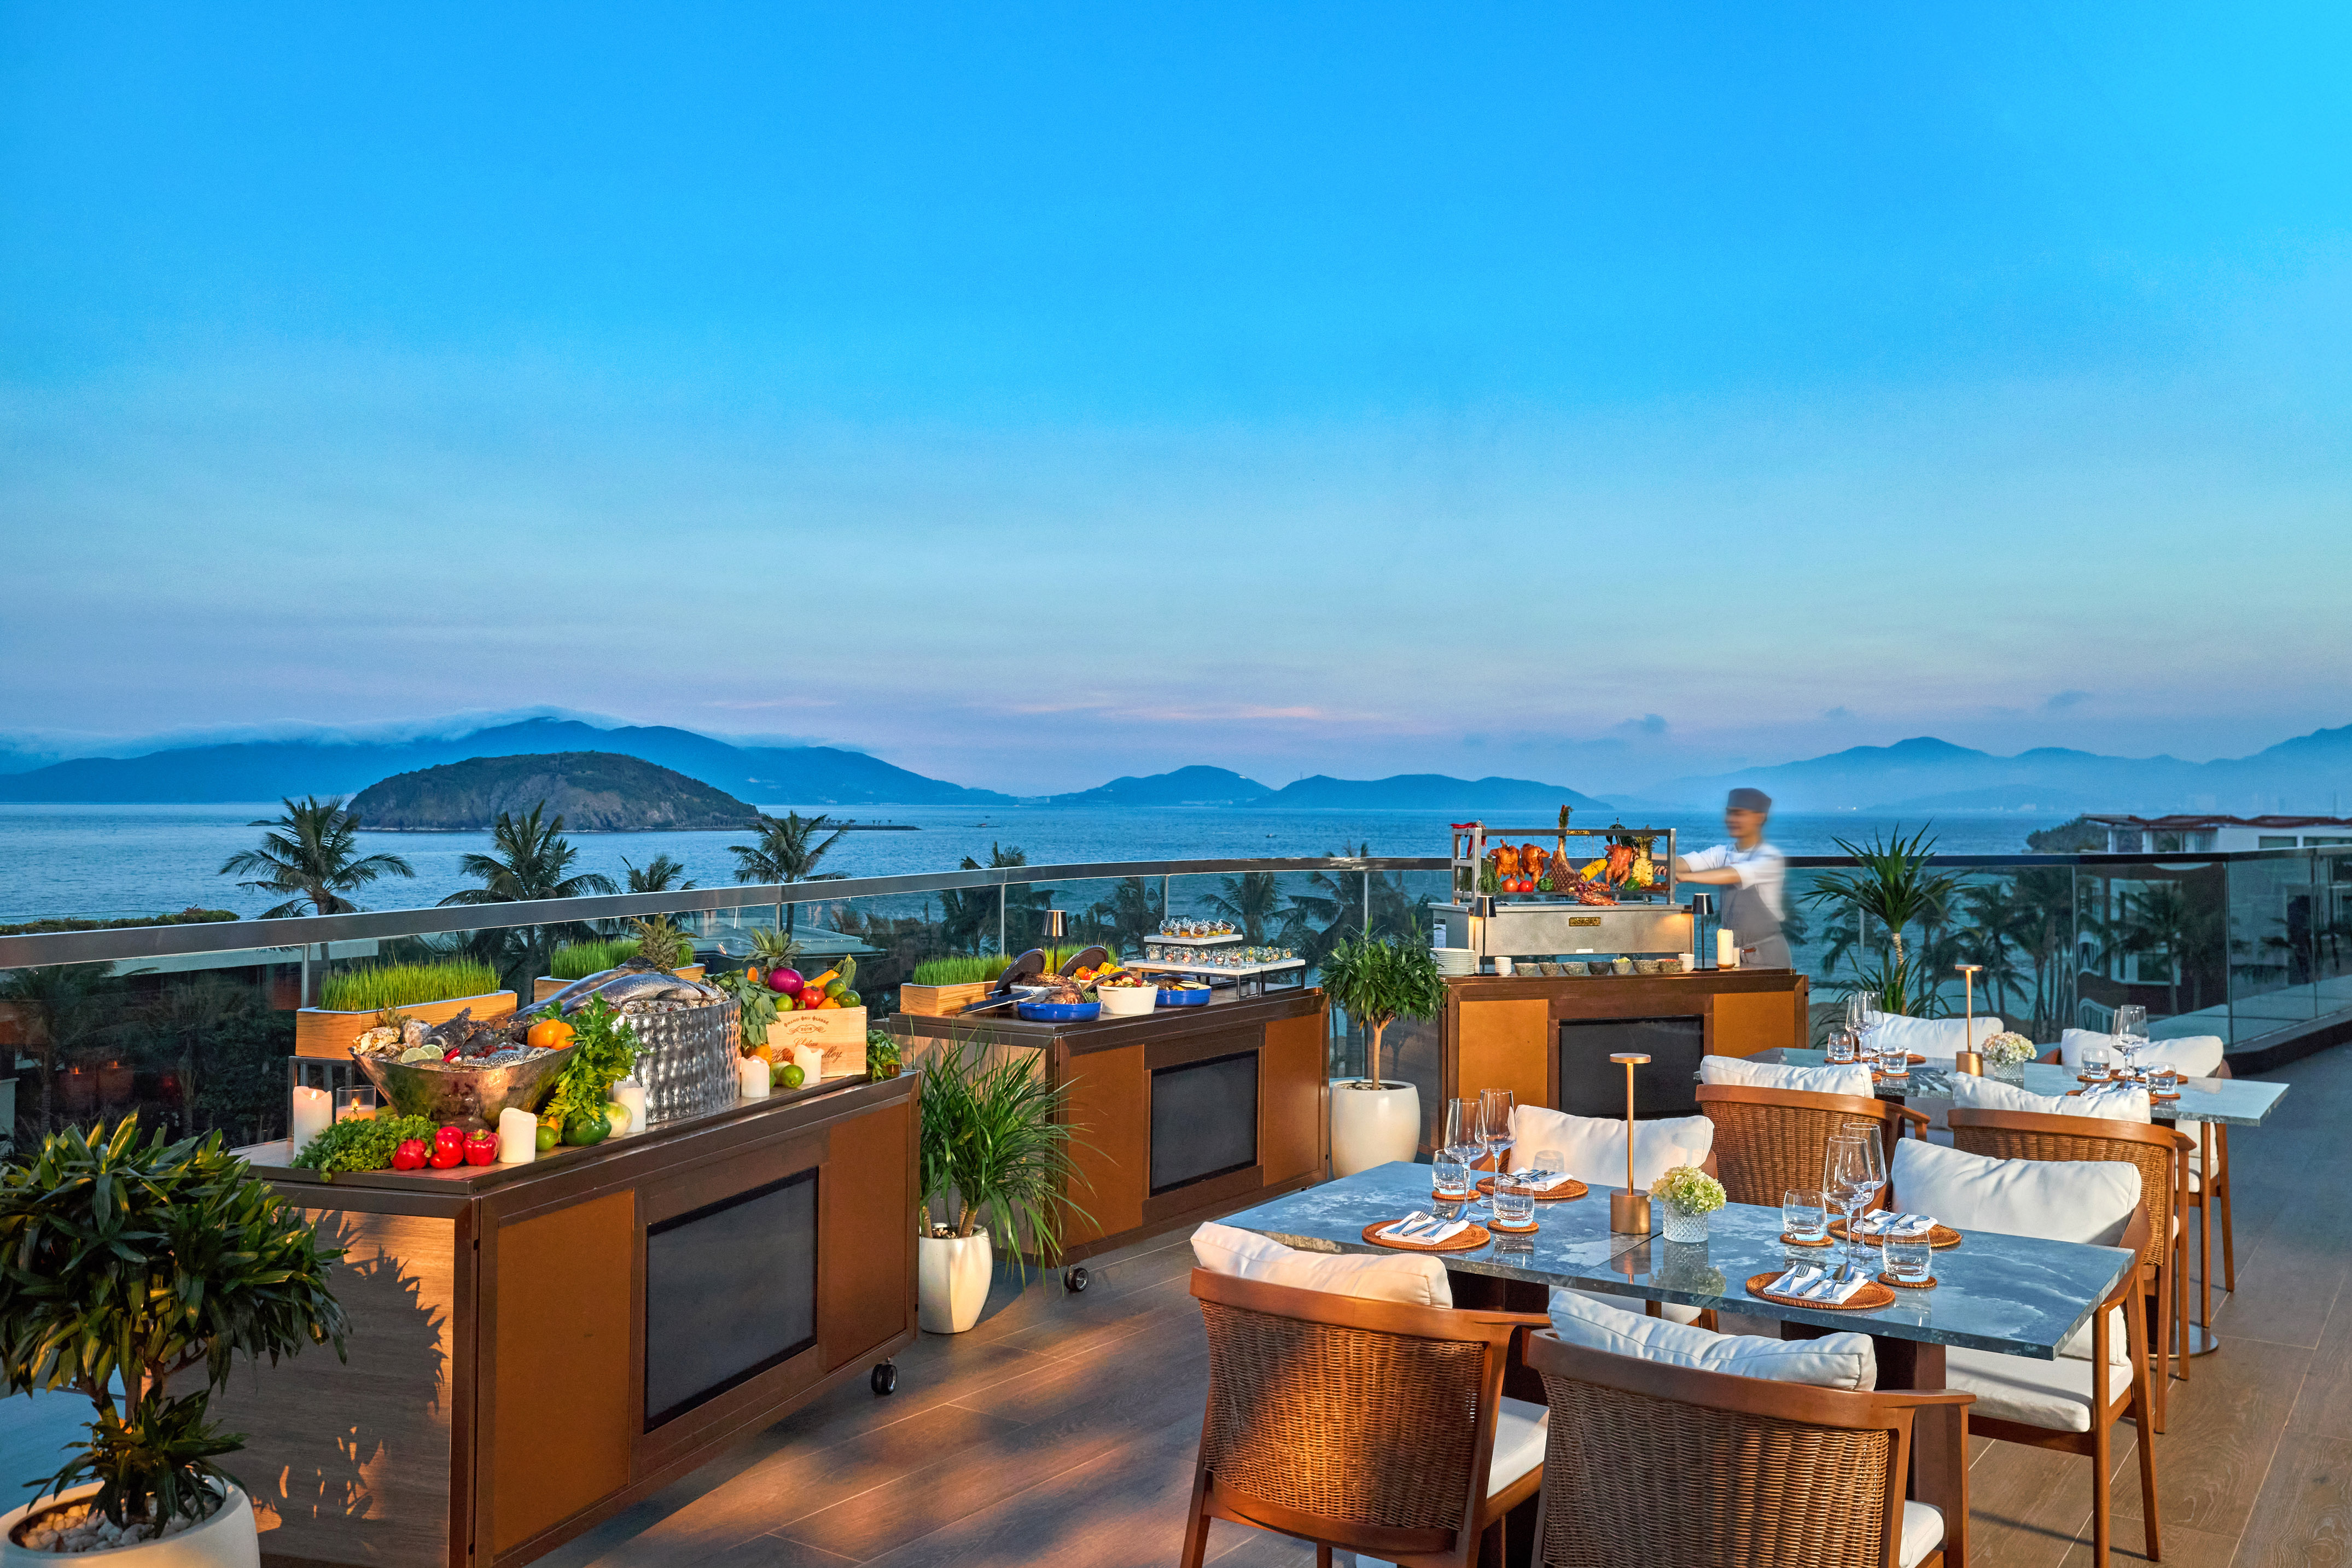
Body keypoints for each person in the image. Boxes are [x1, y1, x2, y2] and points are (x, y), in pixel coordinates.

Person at [1674, 787, 1789, 969]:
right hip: (1733, 954)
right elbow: (1685, 862)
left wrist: (1685, 877)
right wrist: (1640, 858)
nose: (1732, 820)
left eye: (1739, 814)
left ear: (1759, 818)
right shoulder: (1724, 852)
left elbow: (1733, 874)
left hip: (1767, 955)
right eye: (1730, 814)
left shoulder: (1769, 857)